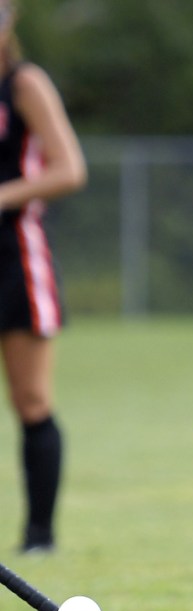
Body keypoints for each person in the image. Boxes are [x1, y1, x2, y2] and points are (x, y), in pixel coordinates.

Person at [0, 0, 87, 555]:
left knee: (31, 400)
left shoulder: (23, 84)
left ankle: (39, 538)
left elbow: (68, 168)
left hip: (14, 257)